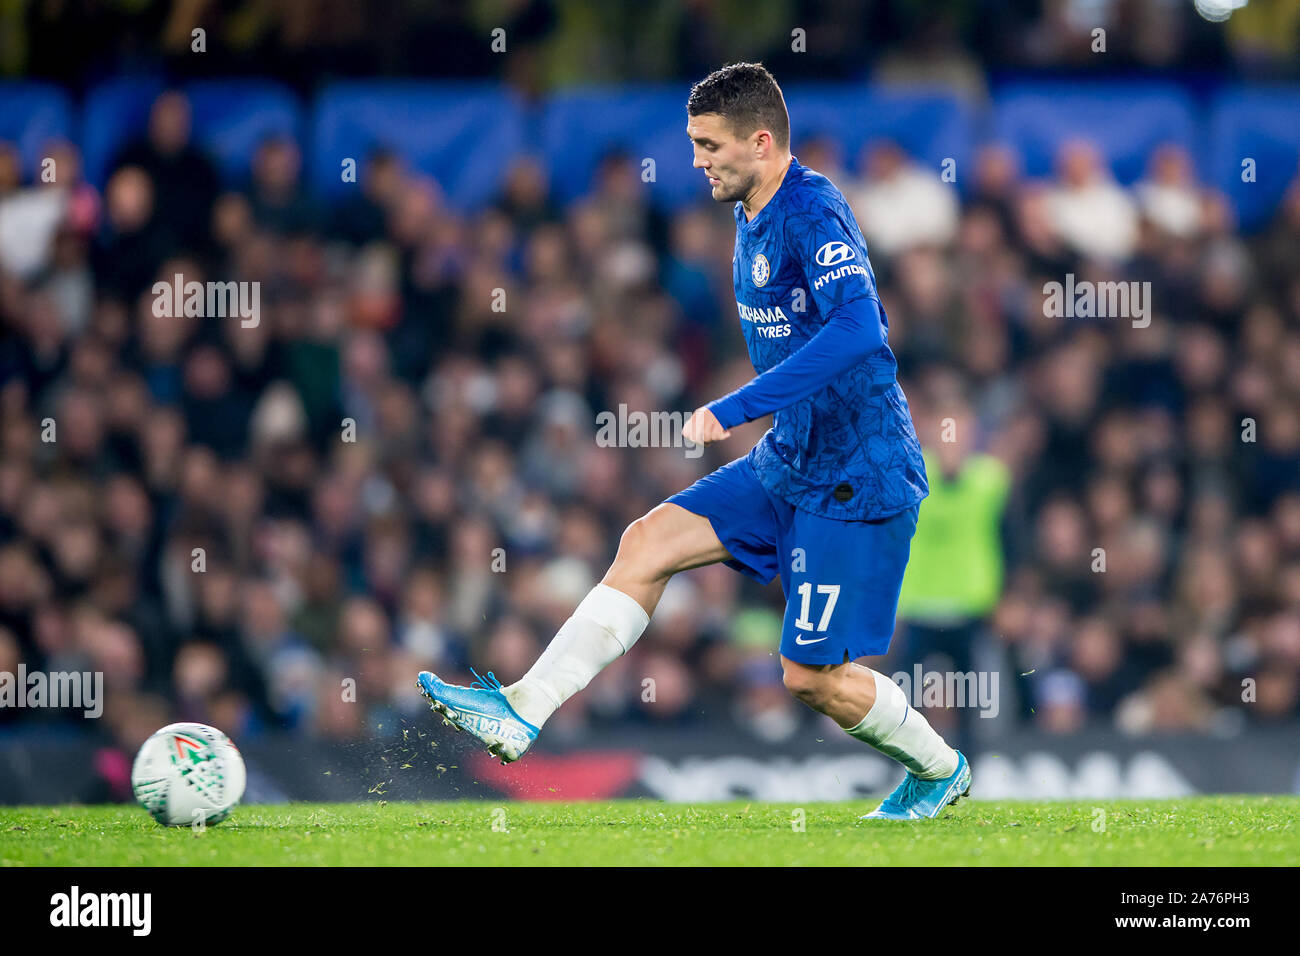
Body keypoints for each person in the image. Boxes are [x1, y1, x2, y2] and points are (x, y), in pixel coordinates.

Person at [417, 62, 970, 820]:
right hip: (791, 458)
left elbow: (861, 327)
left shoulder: (811, 209)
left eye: (709, 144)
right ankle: (523, 707)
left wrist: (741, 403)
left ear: (762, 141)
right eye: (693, 143)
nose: (697, 159)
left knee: (810, 679)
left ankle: (939, 768)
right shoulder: (748, 213)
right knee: (646, 542)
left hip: (857, 475)